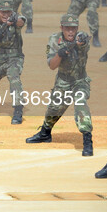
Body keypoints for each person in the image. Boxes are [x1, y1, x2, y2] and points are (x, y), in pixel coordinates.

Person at [25, 14, 93, 157]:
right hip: (62, 81)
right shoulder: (55, 39)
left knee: (81, 104)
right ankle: (45, 133)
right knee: (54, 109)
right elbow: (51, 65)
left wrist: (78, 43)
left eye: (73, 29)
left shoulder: (81, 38)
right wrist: (60, 54)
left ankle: (87, 140)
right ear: (62, 27)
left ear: (77, 28)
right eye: (67, 28)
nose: (70, 32)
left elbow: (84, 41)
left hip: (79, 81)